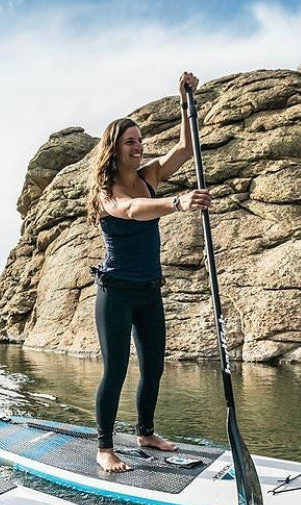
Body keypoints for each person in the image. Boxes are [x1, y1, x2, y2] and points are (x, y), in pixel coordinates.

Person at [86, 72, 212, 473]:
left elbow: (185, 148)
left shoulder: (148, 176)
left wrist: (185, 101)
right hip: (116, 292)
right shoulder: (108, 191)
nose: (138, 148)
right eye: (130, 142)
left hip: (148, 291)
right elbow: (131, 211)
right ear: (114, 148)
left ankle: (145, 432)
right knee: (117, 368)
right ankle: (104, 447)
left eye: (140, 141)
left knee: (154, 365)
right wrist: (176, 203)